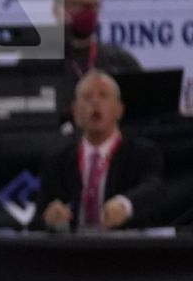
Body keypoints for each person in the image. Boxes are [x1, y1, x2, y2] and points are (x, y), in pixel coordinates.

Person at [38, 70, 163, 233]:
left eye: (103, 96)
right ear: (75, 112)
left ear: (119, 109)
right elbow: (37, 218)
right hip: (71, 251)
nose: (95, 102)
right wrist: (49, 217)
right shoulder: (56, 159)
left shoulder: (142, 153)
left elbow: (154, 189)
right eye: (87, 97)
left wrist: (124, 205)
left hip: (124, 250)